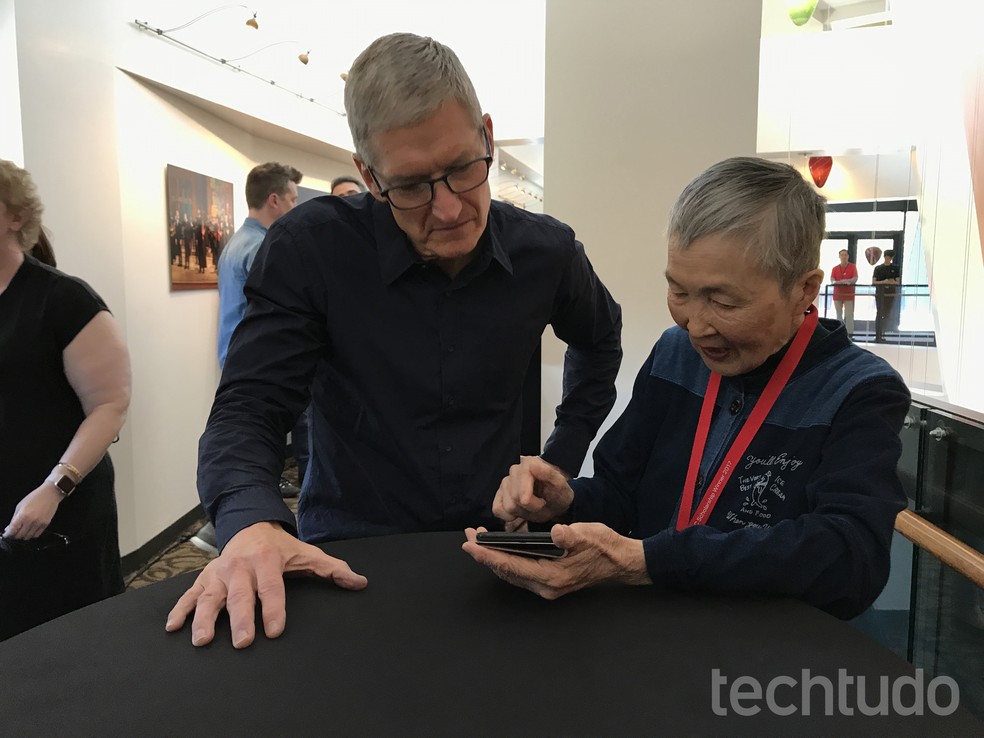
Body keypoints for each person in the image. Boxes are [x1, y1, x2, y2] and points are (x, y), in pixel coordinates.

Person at [166, 32, 622, 648]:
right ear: (367, 175)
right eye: (410, 187)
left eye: (464, 168)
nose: (451, 209)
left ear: (487, 135)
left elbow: (600, 340)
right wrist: (249, 522)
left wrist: (559, 459)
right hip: (353, 551)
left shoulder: (547, 251)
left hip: (502, 544)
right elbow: (249, 404)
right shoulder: (312, 250)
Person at [463, 157, 910, 620]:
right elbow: (620, 491)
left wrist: (649, 561)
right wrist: (567, 501)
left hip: (764, 665)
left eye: (722, 301)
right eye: (679, 292)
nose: (695, 326)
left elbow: (851, 559)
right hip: (652, 638)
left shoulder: (860, 391)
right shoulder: (675, 354)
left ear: (804, 290)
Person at [0, 160, 132, 640]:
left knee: (71, 639)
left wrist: (54, 488)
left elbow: (110, 404)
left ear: (15, 216)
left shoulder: (63, 300)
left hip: (57, 505)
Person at [189, 162, 304, 555]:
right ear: (274, 199)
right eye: (291, 199)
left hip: (238, 359)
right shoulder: (262, 247)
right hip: (262, 364)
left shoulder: (236, 242)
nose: (294, 206)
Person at [872, 249, 901, 343]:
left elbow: (898, 282)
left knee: (887, 313)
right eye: (886, 257)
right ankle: (878, 333)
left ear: (891, 258)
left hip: (890, 292)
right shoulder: (878, 268)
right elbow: (873, 281)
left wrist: (892, 282)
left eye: (889, 258)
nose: (887, 259)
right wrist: (883, 282)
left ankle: (883, 332)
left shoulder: (895, 268)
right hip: (880, 292)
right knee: (880, 312)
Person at [829, 248, 857, 335]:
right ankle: (839, 333)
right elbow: (832, 280)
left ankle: (849, 334)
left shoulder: (853, 266)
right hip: (837, 294)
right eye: (842, 255)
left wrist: (846, 281)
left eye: (845, 255)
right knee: (838, 314)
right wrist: (841, 282)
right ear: (839, 256)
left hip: (849, 294)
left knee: (849, 314)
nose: (844, 257)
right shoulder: (835, 268)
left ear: (848, 256)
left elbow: (855, 278)